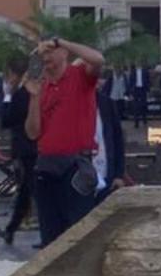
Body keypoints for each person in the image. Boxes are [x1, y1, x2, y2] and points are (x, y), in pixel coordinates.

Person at [25, 33, 105, 247]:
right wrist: (33, 97)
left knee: (78, 233)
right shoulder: (41, 86)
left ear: (64, 53)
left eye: (50, 51)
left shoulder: (79, 75)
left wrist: (63, 41)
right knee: (50, 234)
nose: (45, 56)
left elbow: (97, 59)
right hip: (46, 164)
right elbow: (32, 133)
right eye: (41, 53)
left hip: (75, 165)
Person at [0, 55, 38, 245]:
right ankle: (11, 228)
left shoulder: (21, 94)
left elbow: (6, 120)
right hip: (28, 149)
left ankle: (12, 228)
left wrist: (7, 95)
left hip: (27, 150)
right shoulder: (29, 91)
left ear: (14, 74)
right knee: (26, 191)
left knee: (28, 190)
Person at [92, 70, 130, 204]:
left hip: (106, 175)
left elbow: (117, 140)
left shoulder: (106, 104)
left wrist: (119, 174)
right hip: (79, 179)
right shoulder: (68, 105)